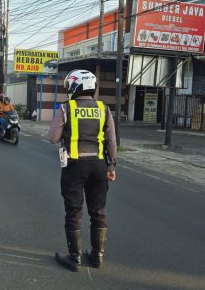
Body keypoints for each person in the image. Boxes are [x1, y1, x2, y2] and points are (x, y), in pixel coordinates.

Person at [47, 69, 117, 271]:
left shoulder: (66, 109)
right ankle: (97, 257)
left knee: (74, 211)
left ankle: (74, 257)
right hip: (99, 166)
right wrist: (111, 166)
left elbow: (52, 138)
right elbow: (112, 141)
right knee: (98, 211)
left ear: (75, 87)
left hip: (75, 166)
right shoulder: (104, 109)